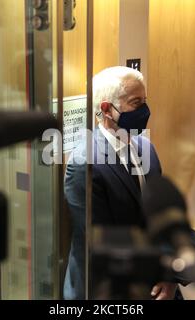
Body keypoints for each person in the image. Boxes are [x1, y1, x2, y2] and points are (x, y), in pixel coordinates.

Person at [64, 66, 163, 300]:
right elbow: (100, 242)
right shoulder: (84, 164)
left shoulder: (147, 149)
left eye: (145, 101)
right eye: (136, 103)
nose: (145, 110)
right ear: (107, 109)